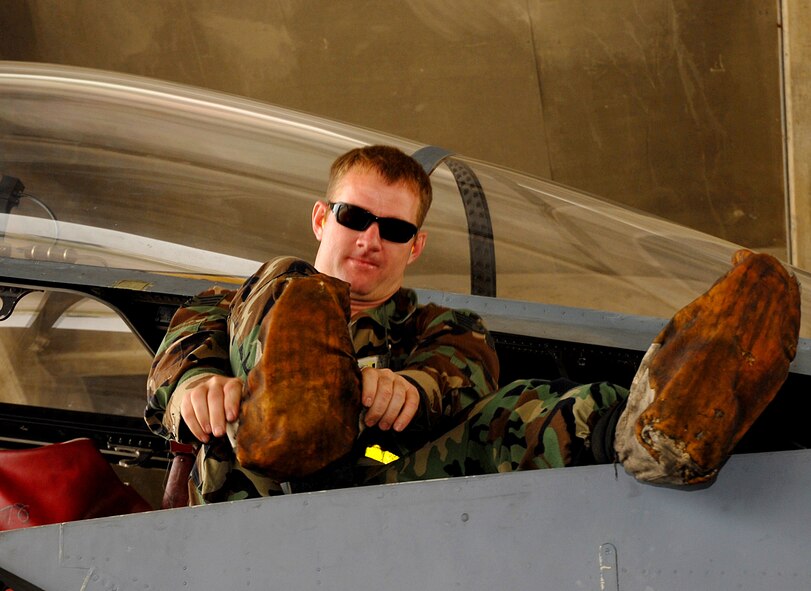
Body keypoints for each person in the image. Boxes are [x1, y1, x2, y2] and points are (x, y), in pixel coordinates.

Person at [145, 145, 799, 504]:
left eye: (394, 228)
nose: (370, 239)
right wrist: (196, 390)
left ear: (415, 246)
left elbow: (463, 375)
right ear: (323, 218)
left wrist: (413, 392)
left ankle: (659, 435)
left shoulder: (443, 325)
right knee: (289, 285)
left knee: (515, 410)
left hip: (375, 478)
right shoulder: (231, 303)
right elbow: (175, 363)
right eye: (354, 218)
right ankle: (295, 405)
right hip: (246, 486)